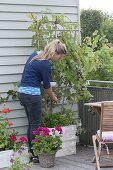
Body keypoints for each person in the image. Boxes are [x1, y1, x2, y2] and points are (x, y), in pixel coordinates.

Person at [17, 39, 67, 162]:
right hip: (32, 95)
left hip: (22, 93)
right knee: (35, 124)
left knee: (32, 123)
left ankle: (31, 153)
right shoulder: (45, 64)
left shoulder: (35, 55)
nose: (59, 60)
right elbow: (47, 87)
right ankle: (35, 155)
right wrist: (53, 97)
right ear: (55, 53)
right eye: (60, 57)